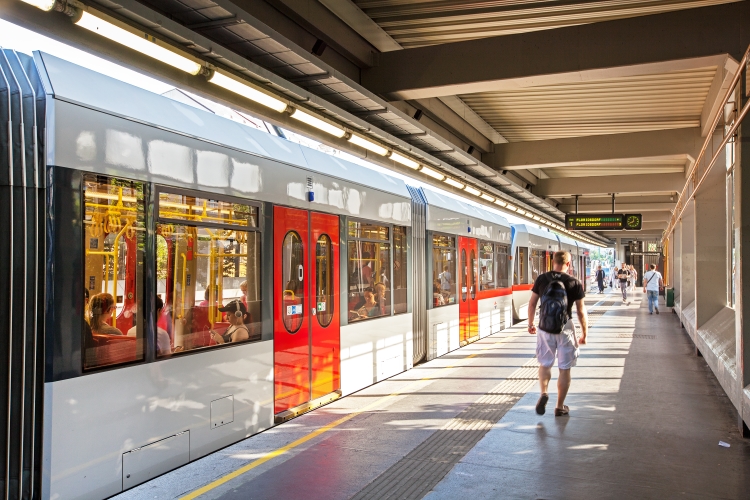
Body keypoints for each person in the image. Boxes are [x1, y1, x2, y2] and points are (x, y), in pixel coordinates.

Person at [528, 251, 588, 417]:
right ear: (568, 264)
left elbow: (532, 304)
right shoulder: (574, 282)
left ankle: (544, 393)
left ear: (552, 262)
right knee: (565, 368)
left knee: (545, 364)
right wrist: (584, 333)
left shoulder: (542, 279)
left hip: (544, 327)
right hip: (565, 328)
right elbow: (581, 311)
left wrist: (531, 324)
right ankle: (560, 406)